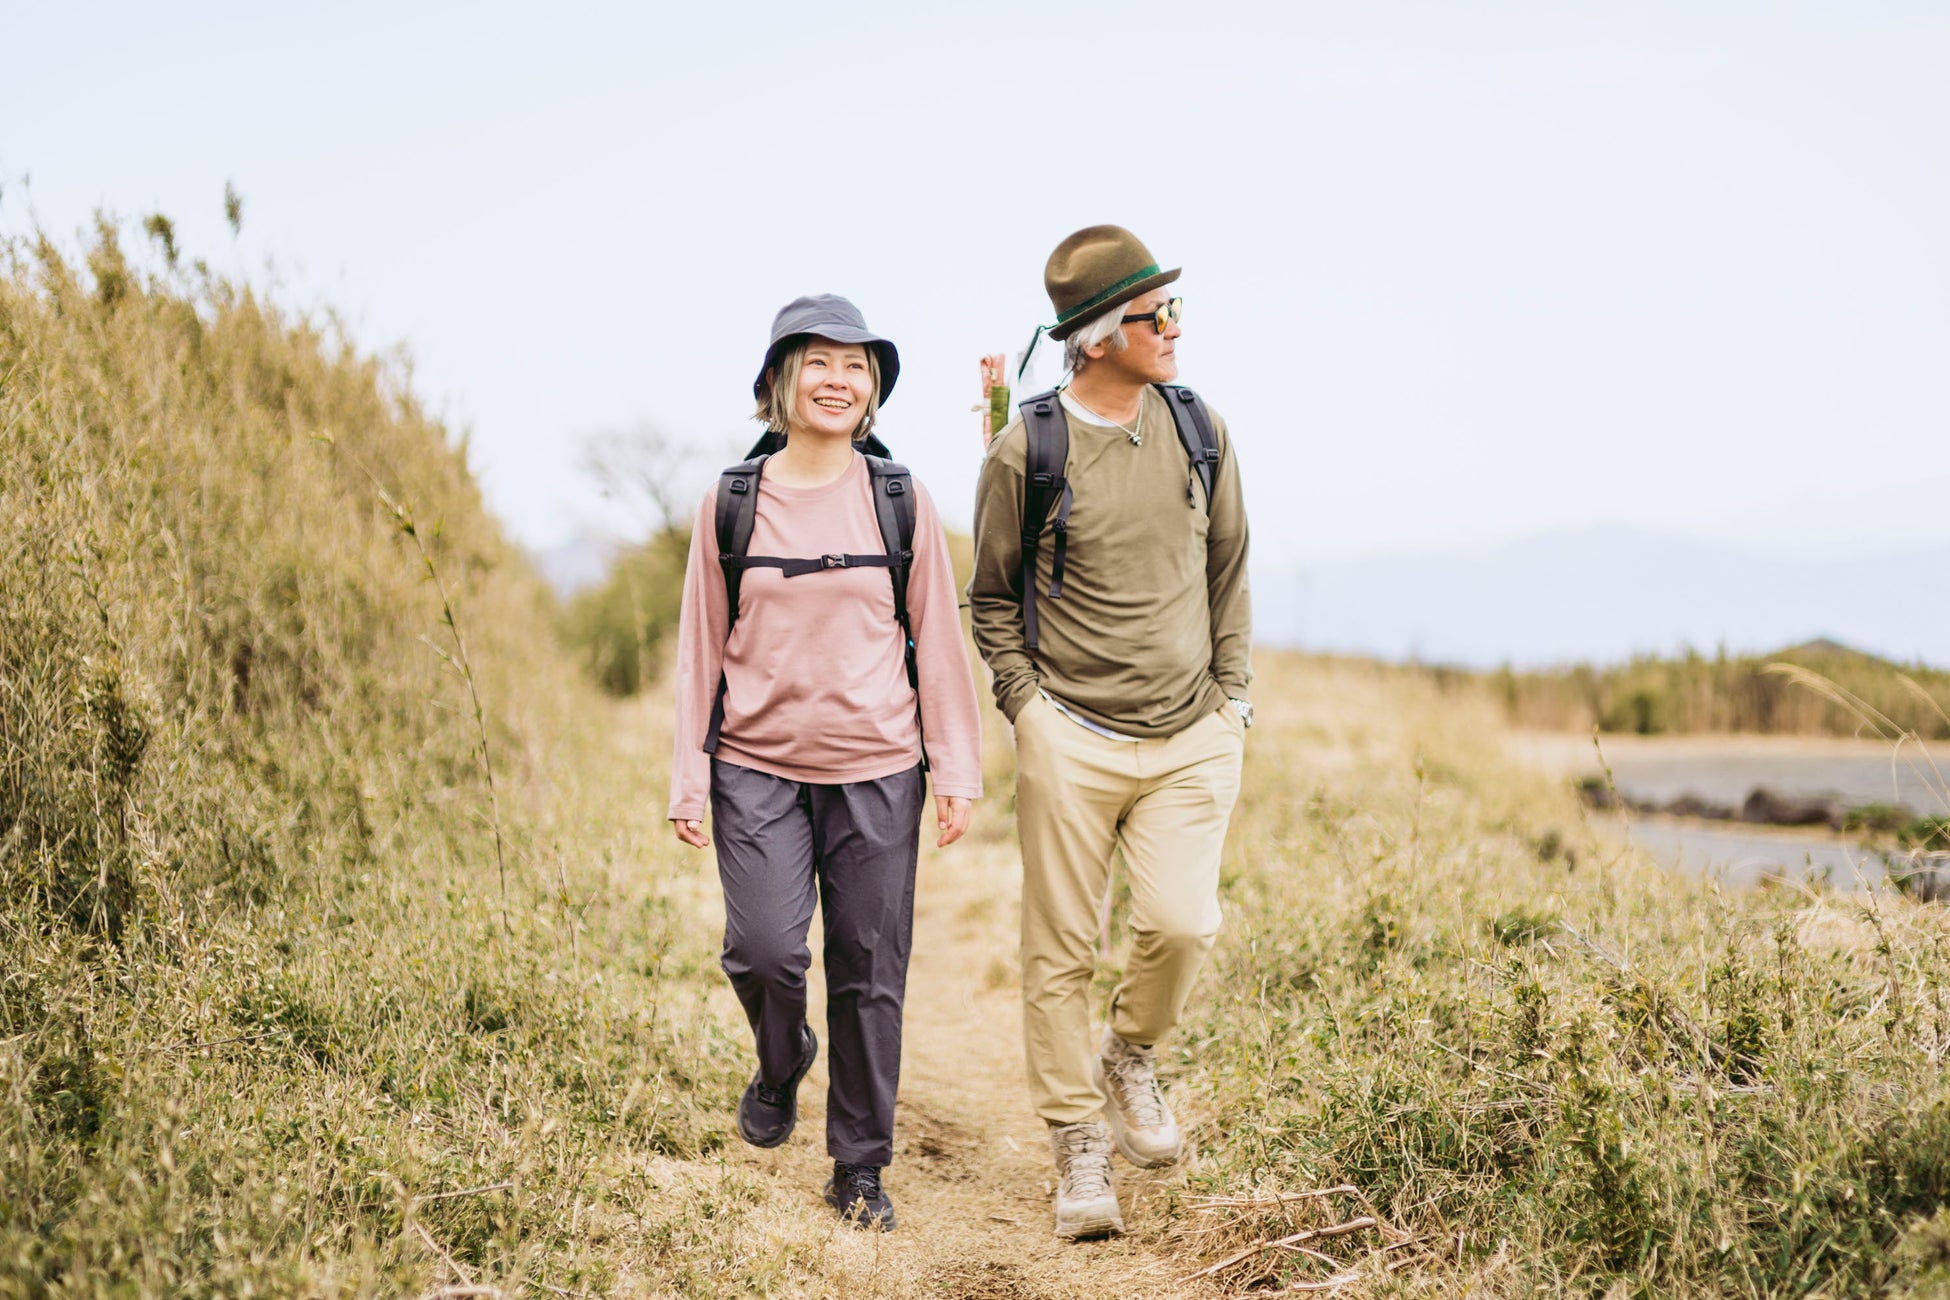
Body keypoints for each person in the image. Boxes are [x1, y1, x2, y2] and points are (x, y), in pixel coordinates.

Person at [669, 294, 984, 1231]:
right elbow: (700, 648)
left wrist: (955, 769)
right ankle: (780, 1058)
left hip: (880, 766)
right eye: (817, 362)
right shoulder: (732, 502)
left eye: (856, 365)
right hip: (755, 766)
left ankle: (858, 1167)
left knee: (869, 965)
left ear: (873, 388)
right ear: (778, 384)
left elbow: (937, 636)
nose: (838, 379)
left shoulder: (901, 499)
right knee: (764, 950)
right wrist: (690, 775)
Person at [969, 227, 1252, 1239]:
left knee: (1183, 923)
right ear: (1096, 339)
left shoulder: (1198, 426)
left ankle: (1131, 1053)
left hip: (1193, 735)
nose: (1174, 329)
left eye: (1175, 311)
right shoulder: (1026, 449)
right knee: (1060, 949)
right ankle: (1076, 1141)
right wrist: (1026, 711)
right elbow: (992, 597)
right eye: (1154, 315)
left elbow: (1229, 570)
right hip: (1072, 736)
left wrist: (1235, 699)